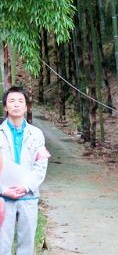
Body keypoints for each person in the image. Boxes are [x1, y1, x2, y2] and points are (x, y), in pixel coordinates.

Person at [0, 86, 51, 255]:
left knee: (26, 245)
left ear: (27, 106)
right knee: (2, 244)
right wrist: (3, 189)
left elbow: (41, 165)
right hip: (2, 198)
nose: (16, 105)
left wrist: (27, 186)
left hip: (28, 196)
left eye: (20, 101)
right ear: (5, 107)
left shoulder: (36, 134)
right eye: (12, 101)